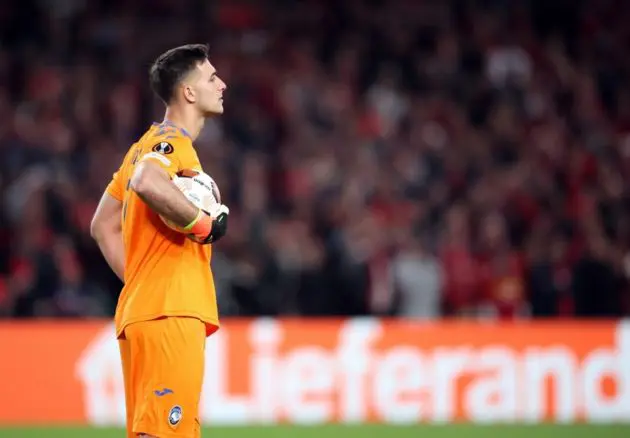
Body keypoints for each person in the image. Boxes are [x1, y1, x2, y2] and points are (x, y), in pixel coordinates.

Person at [90, 43, 229, 437]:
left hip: (144, 309)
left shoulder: (139, 148)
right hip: (172, 311)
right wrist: (202, 224)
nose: (222, 84)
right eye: (211, 77)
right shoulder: (171, 146)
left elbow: (102, 225)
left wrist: (140, 280)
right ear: (188, 92)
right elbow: (147, 181)